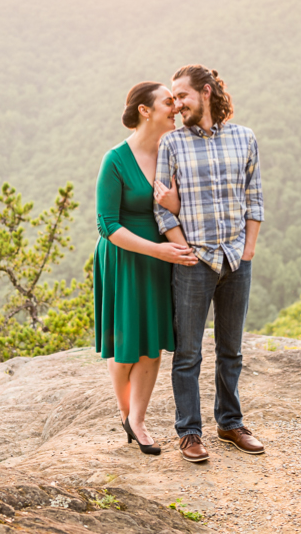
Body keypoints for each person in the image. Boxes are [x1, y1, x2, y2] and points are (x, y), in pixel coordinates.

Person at [153, 65, 265, 462]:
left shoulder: (245, 138)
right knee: (188, 353)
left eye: (181, 96)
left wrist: (248, 248)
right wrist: (182, 249)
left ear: (205, 92)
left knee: (231, 349)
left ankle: (230, 423)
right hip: (193, 260)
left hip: (236, 259)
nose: (177, 104)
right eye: (172, 98)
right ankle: (189, 432)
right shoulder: (172, 144)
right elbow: (162, 208)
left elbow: (254, 197)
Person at [94, 81, 198, 455]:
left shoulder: (175, 151)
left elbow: (193, 204)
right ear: (145, 110)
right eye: (168, 102)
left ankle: (137, 420)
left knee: (151, 344)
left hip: (161, 257)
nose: (176, 108)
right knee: (125, 347)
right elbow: (106, 224)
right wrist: (158, 251)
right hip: (125, 258)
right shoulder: (115, 160)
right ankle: (126, 413)